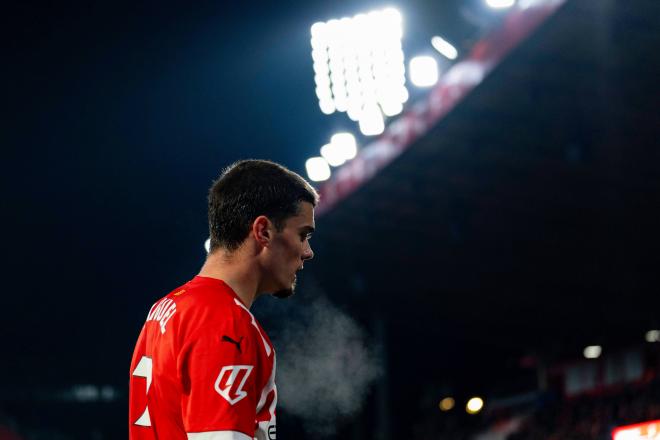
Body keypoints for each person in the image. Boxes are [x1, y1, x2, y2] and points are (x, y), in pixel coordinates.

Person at [129, 159, 318, 440]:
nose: (308, 252)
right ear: (263, 231)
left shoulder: (167, 307)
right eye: (303, 235)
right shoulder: (225, 321)